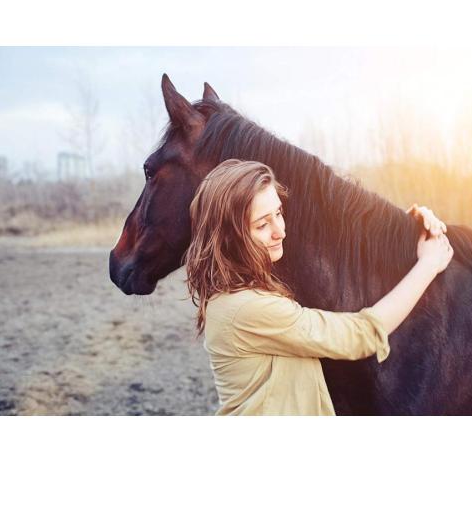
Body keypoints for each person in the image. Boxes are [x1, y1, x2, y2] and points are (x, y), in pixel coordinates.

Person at [185, 159, 453, 416]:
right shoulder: (248, 307)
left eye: (278, 213)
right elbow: (360, 335)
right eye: (262, 224)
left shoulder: (238, 288)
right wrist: (428, 264)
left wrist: (402, 231)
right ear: (229, 238)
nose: (280, 231)